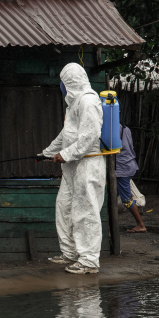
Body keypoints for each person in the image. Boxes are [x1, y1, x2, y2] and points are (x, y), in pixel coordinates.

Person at [40, 63, 106, 275]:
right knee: (64, 207)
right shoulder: (73, 104)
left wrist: (65, 155)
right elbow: (66, 135)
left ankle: (88, 261)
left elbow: (89, 136)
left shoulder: (88, 101)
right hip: (72, 167)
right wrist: (47, 153)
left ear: (70, 81)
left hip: (88, 164)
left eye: (63, 82)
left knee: (86, 212)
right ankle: (69, 253)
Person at [116, 124, 146, 233]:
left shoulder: (112, 129)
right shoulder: (125, 128)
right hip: (128, 164)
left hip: (121, 167)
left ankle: (140, 224)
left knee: (126, 199)